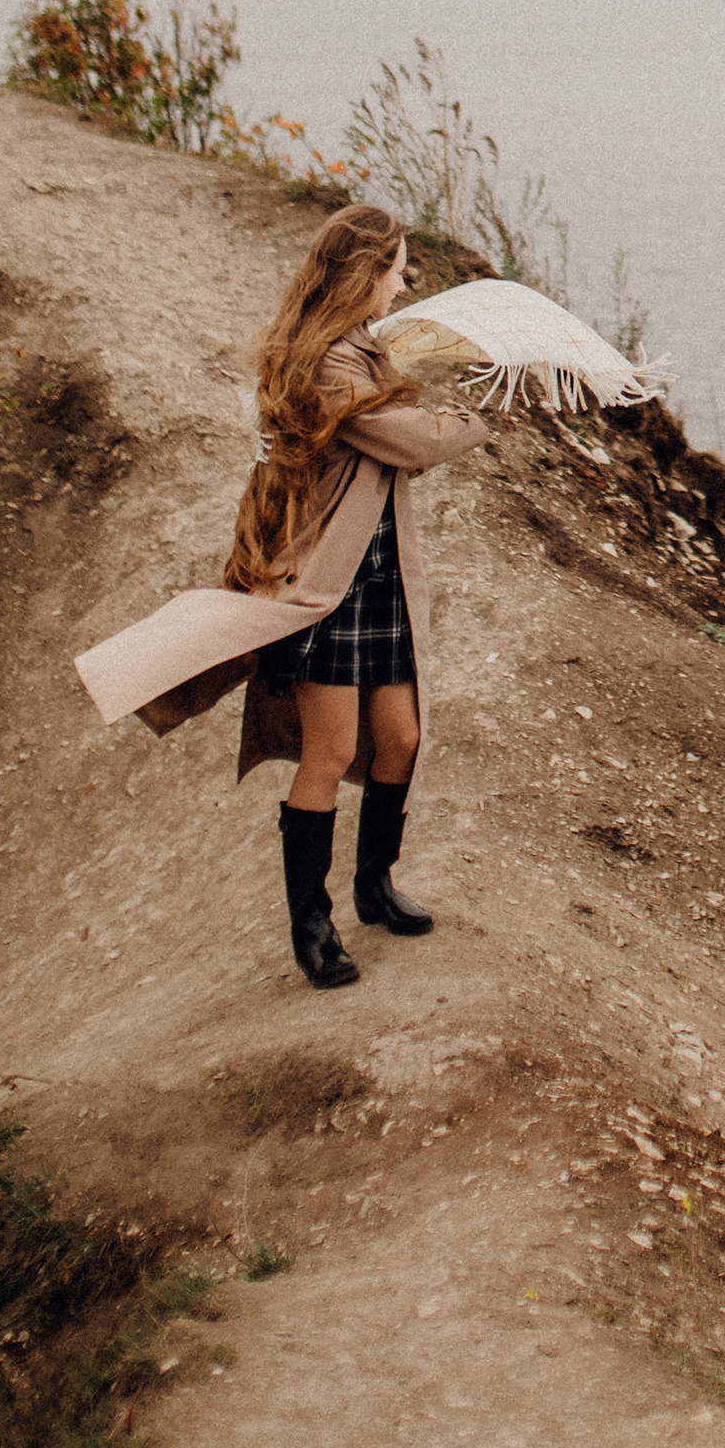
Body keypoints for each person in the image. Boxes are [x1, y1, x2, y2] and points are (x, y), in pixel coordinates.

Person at [73, 201, 494, 989]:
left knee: (400, 738)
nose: (404, 284)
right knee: (331, 753)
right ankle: (313, 925)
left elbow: (396, 406)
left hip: (382, 584)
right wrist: (482, 407)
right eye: (397, 269)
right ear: (365, 273)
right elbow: (415, 442)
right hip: (328, 593)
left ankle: (374, 885)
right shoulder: (328, 367)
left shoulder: (360, 351)